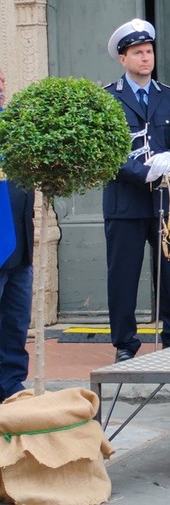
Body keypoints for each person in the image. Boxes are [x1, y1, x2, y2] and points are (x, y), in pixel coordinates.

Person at [104, 19, 170, 362]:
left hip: (165, 200)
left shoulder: (168, 96)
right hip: (125, 202)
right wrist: (143, 173)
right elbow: (107, 153)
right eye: (138, 53)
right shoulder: (108, 98)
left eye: (149, 51)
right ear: (122, 59)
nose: (146, 58)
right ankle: (125, 344)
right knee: (123, 275)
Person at [0, 65, 35, 399]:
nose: (0, 87)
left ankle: (11, 383)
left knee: (16, 320)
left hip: (20, 243)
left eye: (0, 80)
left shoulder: (16, 128)